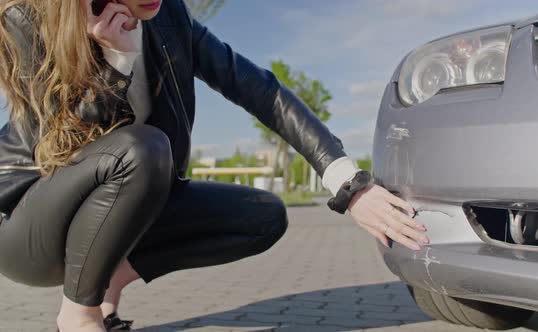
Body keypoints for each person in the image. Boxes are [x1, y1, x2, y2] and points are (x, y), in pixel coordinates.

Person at [0, 0, 430, 331]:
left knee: (262, 216)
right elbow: (62, 145)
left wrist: (347, 183)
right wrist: (118, 64)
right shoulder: (32, 18)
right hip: (28, 224)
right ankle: (78, 317)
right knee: (142, 148)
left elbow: (257, 88)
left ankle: (106, 279)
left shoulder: (169, 16)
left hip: (124, 197)